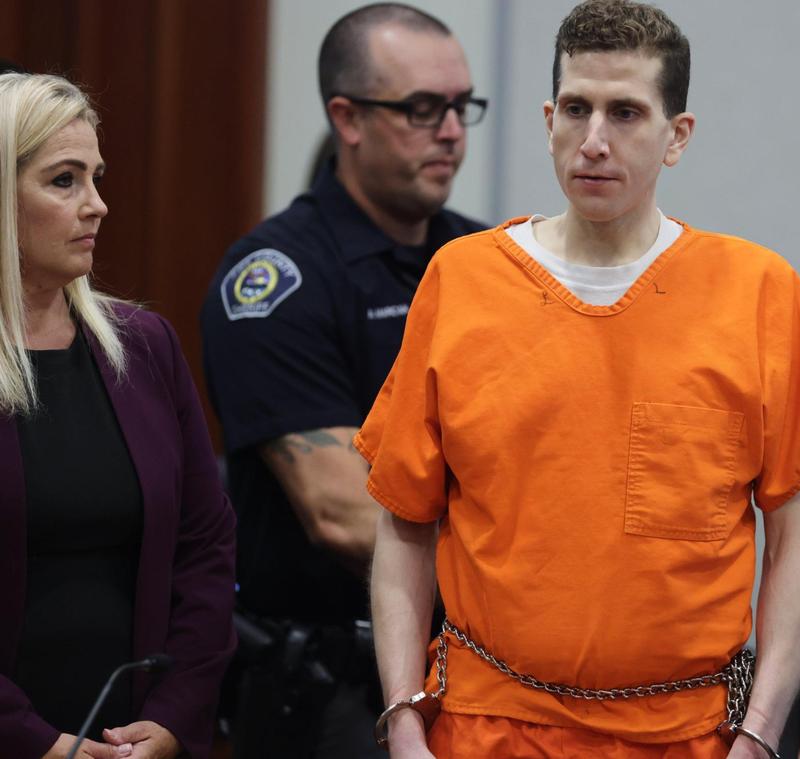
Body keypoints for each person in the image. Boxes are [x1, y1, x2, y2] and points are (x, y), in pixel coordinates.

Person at [355, 1, 800, 756]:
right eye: (578, 110)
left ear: (677, 136)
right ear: (548, 119)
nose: (594, 141)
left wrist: (759, 734)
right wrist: (402, 715)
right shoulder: (461, 280)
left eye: (626, 113)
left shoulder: (757, 291)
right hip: (485, 726)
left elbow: (799, 532)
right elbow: (405, 520)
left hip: (689, 733)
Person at [198, 3, 486, 757]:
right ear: (347, 118)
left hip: (476, 668)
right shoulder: (277, 279)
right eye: (423, 109)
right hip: (331, 690)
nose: (452, 131)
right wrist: (536, 555)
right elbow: (340, 510)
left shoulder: (487, 261)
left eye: (461, 106)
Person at [0, 73, 235, 759]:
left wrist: (173, 715)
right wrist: (35, 742)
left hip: (134, 738)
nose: (98, 205)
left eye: (96, 177)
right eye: (64, 181)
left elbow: (206, 546)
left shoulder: (144, 345)